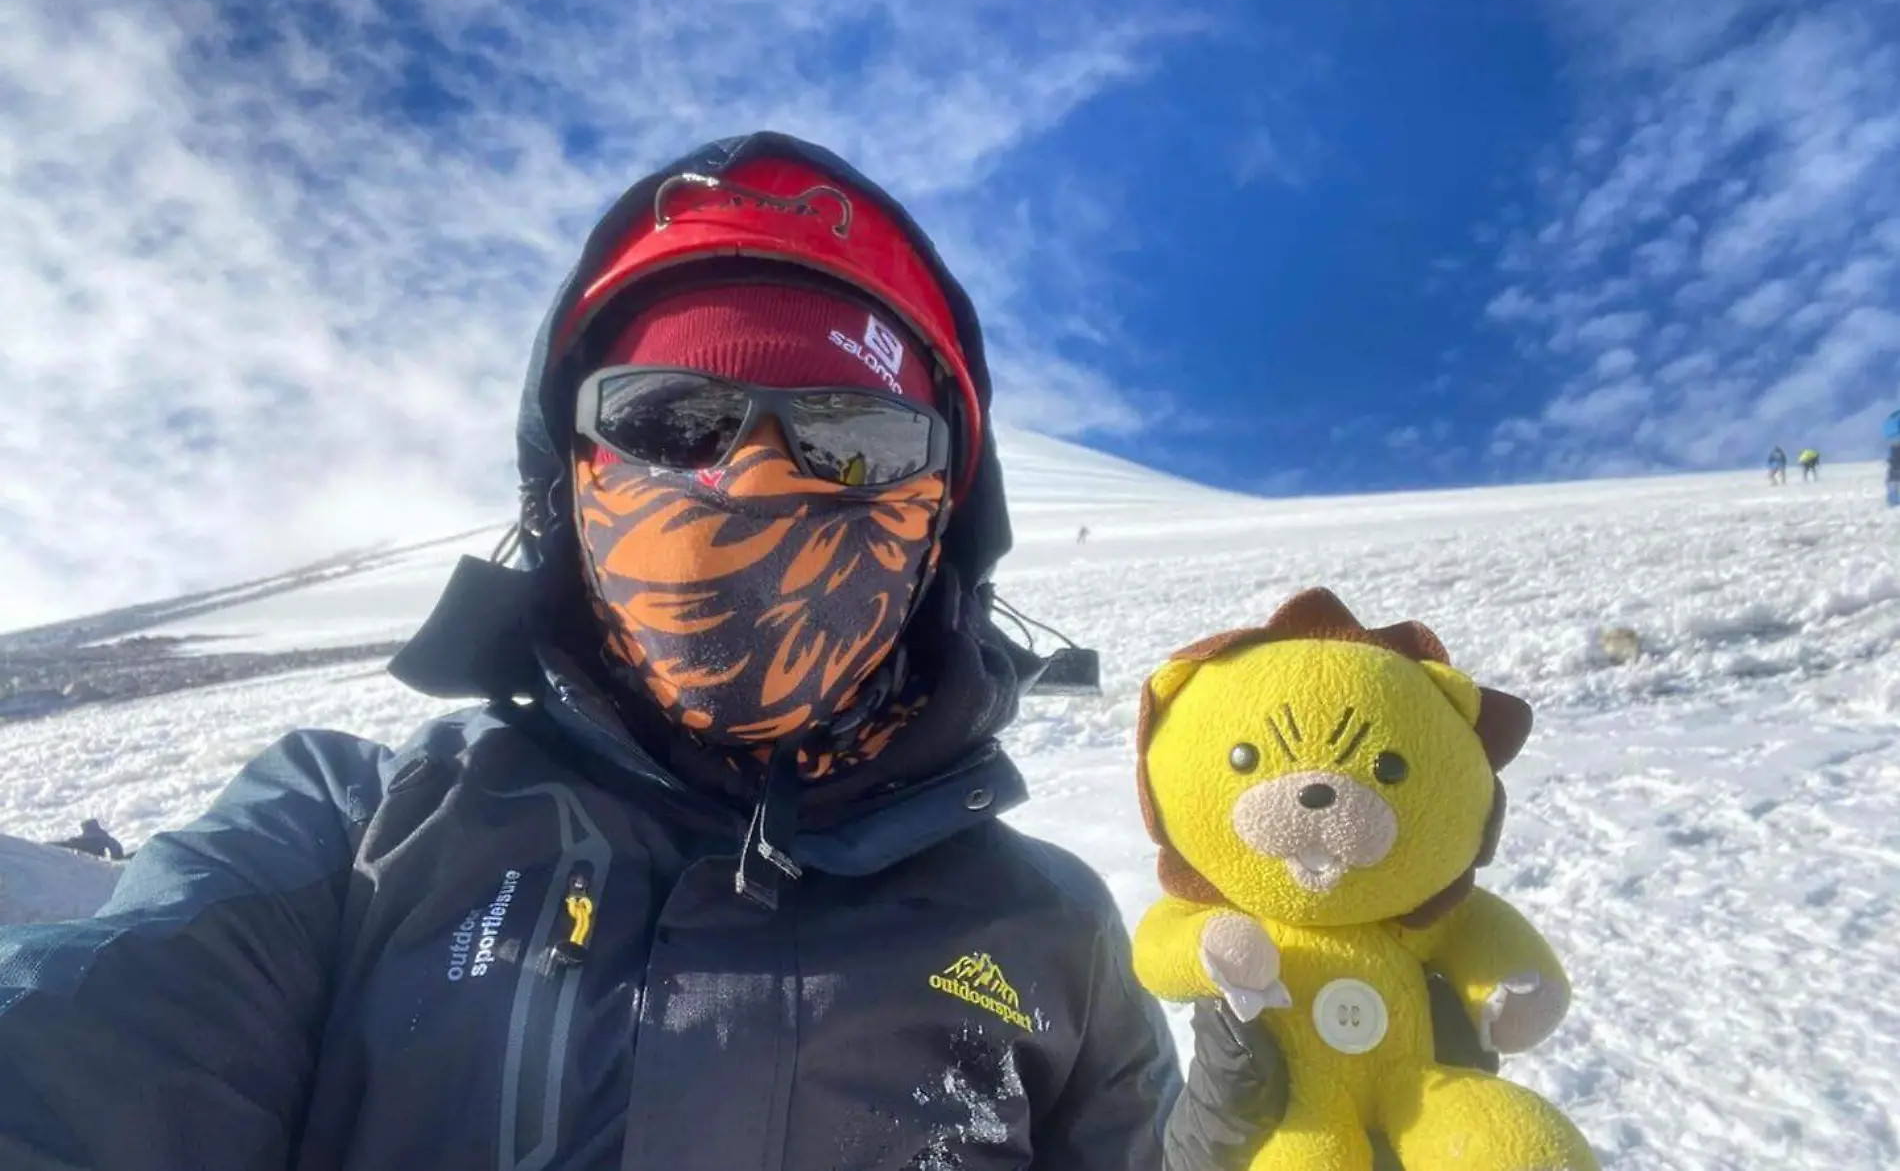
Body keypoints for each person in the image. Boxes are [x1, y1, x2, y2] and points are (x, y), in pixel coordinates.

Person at [0, 132, 1497, 1171]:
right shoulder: (346, 837)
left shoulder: (1047, 933)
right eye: (669, 424)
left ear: (939, 528)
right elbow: (80, 1067)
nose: (753, 480)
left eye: (847, 436)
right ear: (568, 484)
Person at [48, 818, 125, 861]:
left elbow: (66, 844)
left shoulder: (82, 841)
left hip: (92, 864)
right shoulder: (104, 837)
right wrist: (116, 859)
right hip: (97, 863)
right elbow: (116, 847)